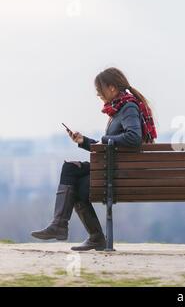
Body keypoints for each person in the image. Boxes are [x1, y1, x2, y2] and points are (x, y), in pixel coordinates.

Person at [31, 67, 157, 251]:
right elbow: (110, 147)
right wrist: (83, 142)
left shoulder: (128, 107)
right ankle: (61, 225)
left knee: (78, 185)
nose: (98, 93)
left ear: (112, 88)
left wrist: (105, 139)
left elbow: (133, 138)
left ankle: (89, 235)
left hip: (120, 171)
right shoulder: (119, 109)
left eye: (100, 89)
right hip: (114, 166)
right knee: (70, 169)